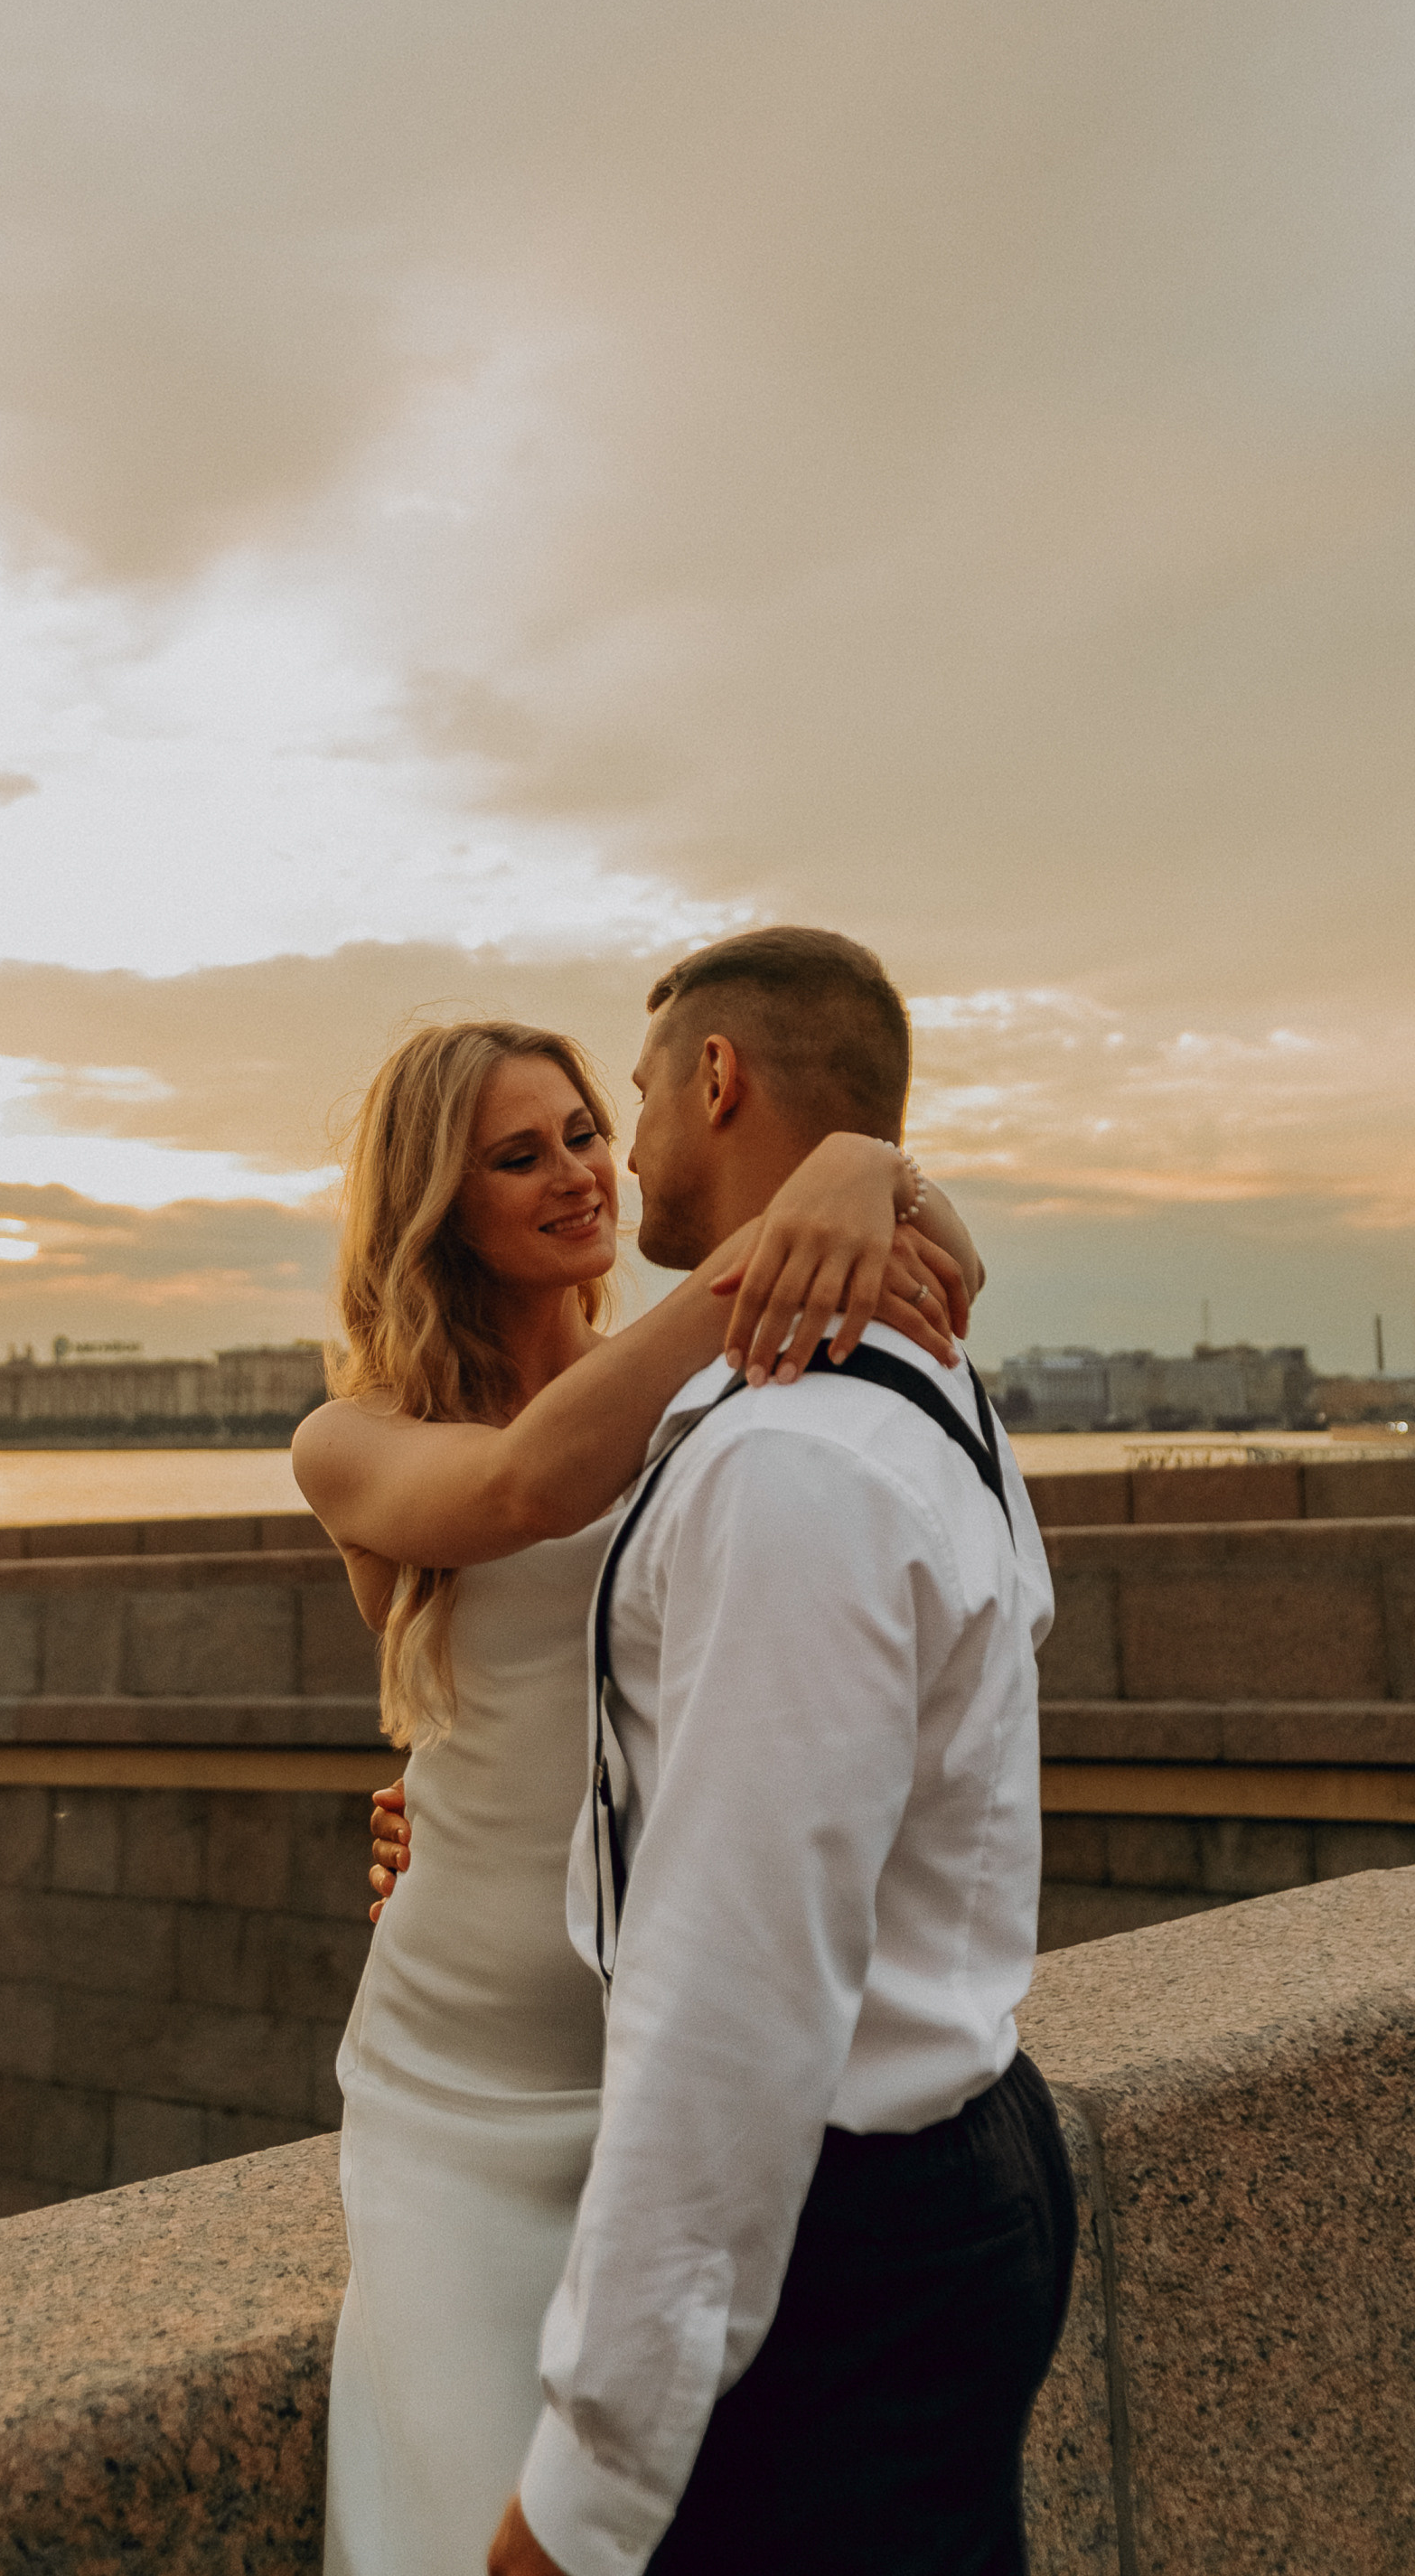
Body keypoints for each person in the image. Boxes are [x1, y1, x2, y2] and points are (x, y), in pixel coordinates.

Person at [292, 957, 985, 2576]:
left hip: (670, 2072)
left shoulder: (724, 1396)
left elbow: (949, 1272)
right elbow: (531, 1483)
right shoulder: (354, 1438)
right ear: (433, 1204)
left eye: (587, 1129)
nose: (580, 1172)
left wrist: (871, 1168)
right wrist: (775, 1233)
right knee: (470, 2523)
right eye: (516, 1154)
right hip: (459, 2086)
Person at [479, 929, 1073, 2576]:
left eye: (644, 1088)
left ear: (718, 1079)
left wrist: (583, 2495)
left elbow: (731, 1996)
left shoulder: (788, 1466)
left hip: (844, 2247)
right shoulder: (925, 1380)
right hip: (958, 2168)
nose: (630, 1139)